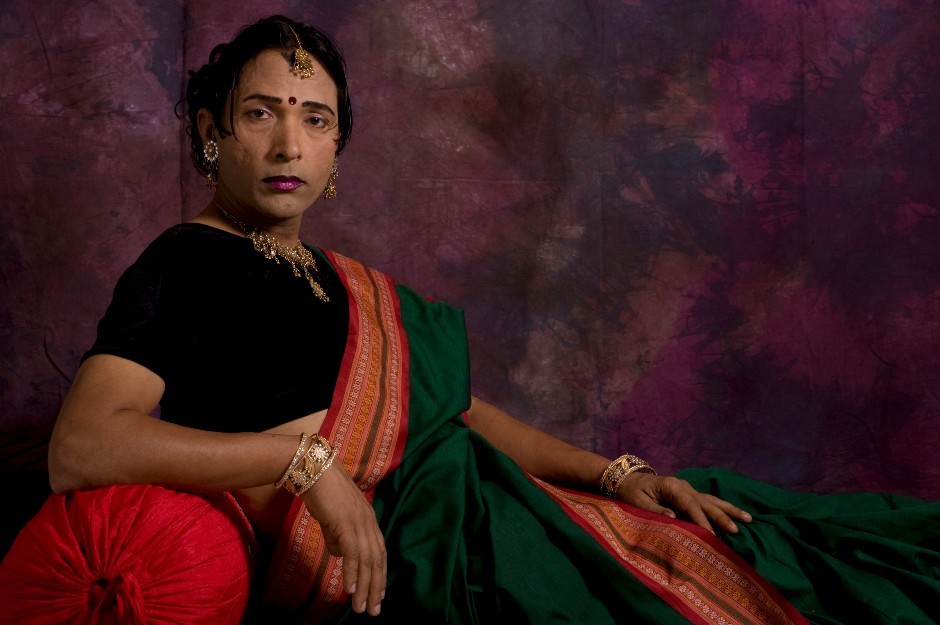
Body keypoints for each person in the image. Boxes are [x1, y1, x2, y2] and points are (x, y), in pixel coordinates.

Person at [1, 15, 937, 625]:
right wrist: (302, 461)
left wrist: (619, 470)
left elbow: (453, 415)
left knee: (775, 540)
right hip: (403, 552)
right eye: (260, 114)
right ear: (213, 131)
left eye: (316, 121)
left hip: (482, 498)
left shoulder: (342, 277)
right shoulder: (183, 262)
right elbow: (83, 446)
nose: (289, 143)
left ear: (338, 151)